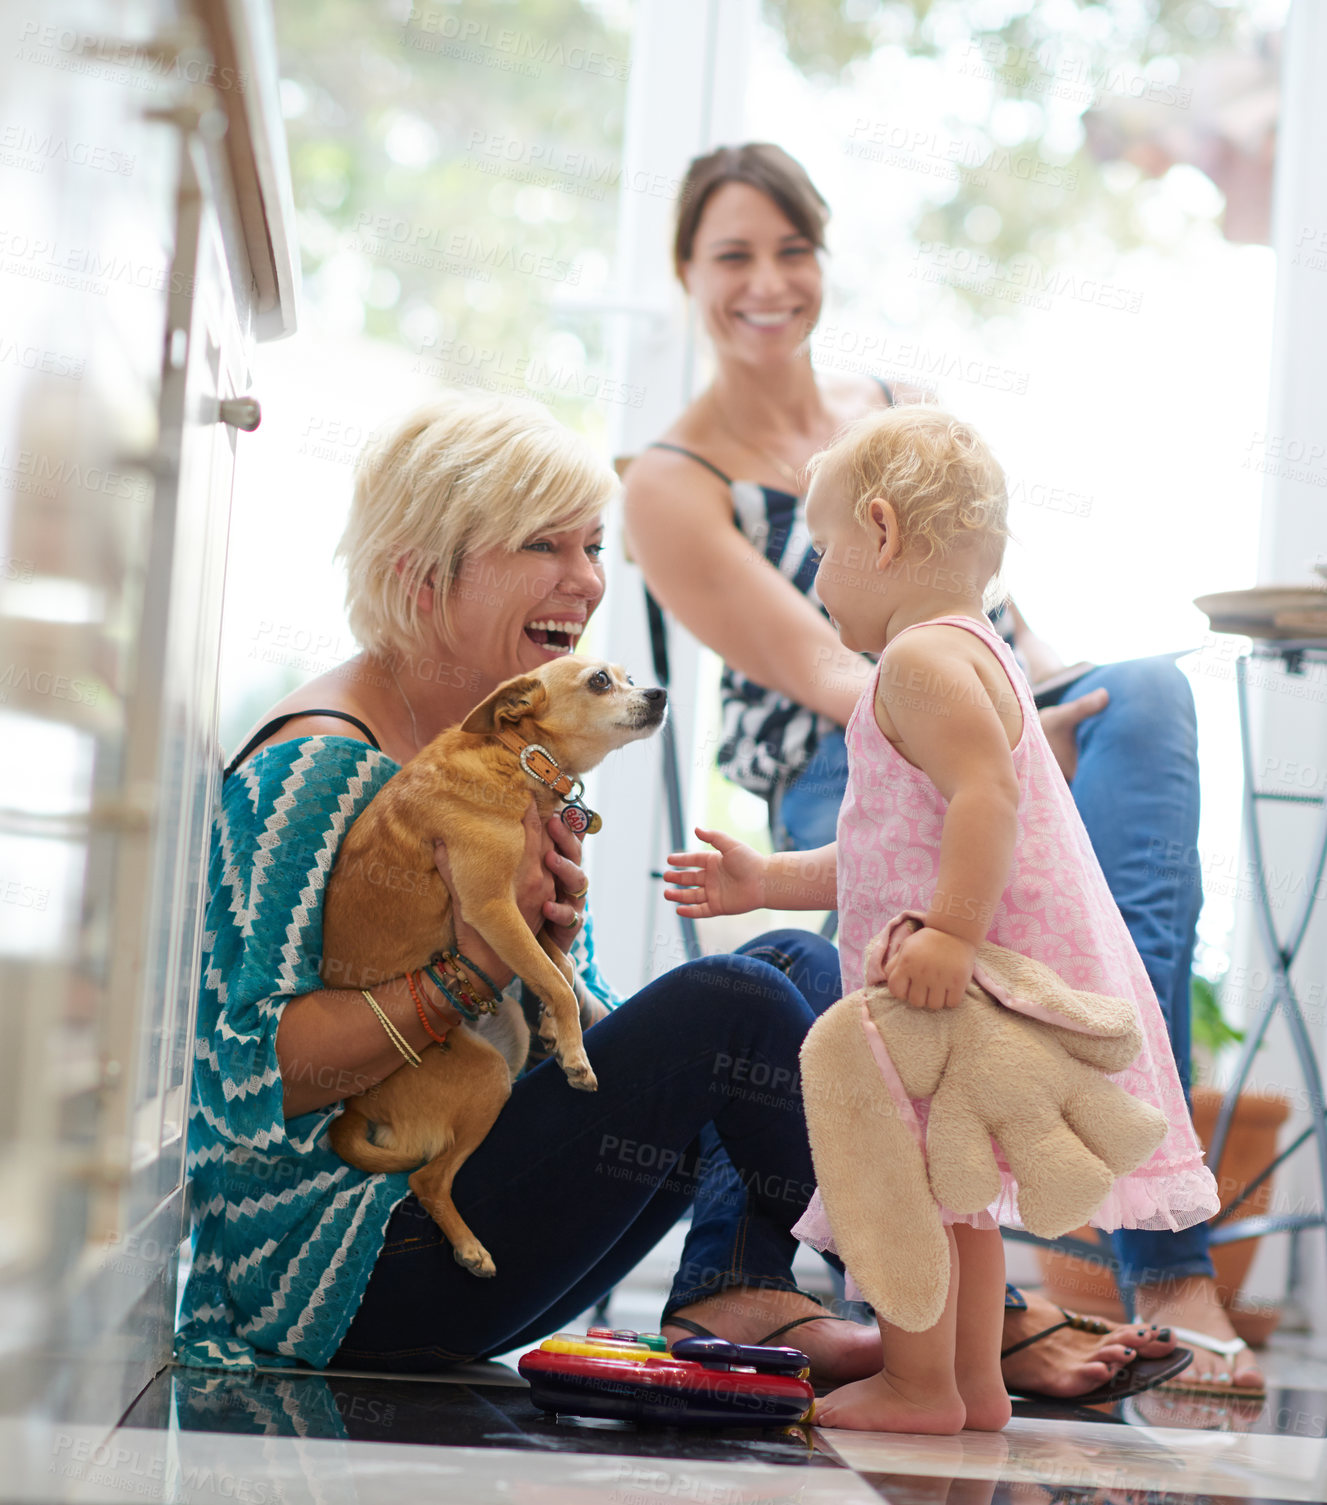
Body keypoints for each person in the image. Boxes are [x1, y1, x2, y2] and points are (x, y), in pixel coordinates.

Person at [624, 141, 1263, 1393]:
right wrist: (998, 738)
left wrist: (1030, 721)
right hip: (852, 753)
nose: (768, 280)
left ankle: (1142, 1211)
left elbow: (982, 605)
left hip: (970, 718)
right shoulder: (670, 478)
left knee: (1144, 693)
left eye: (792, 248)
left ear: (822, 259)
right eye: (733, 255)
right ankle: (1048, 1247)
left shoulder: (894, 414)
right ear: (685, 274)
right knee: (928, 917)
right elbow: (833, 664)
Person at [176, 390, 872, 1381]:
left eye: (592, 546)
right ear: (423, 576)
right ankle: (962, 1304)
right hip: (340, 1277)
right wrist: (468, 970)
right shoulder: (319, 769)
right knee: (737, 1002)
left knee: (792, 963)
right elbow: (254, 1078)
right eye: (546, 546)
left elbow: (562, 1047)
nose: (587, 581)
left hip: (458, 1206)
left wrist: (550, 967)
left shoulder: (507, 757)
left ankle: (738, 1283)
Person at [663, 407, 1219, 1431]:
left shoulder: (917, 665)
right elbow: (883, 851)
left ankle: (921, 1382)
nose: (818, 579)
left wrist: (953, 937)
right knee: (955, 1202)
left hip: (949, 990)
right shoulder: (974, 655)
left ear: (878, 532)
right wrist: (761, 879)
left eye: (823, 552)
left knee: (906, 1194)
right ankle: (970, 1386)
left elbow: (986, 802)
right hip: (962, 988)